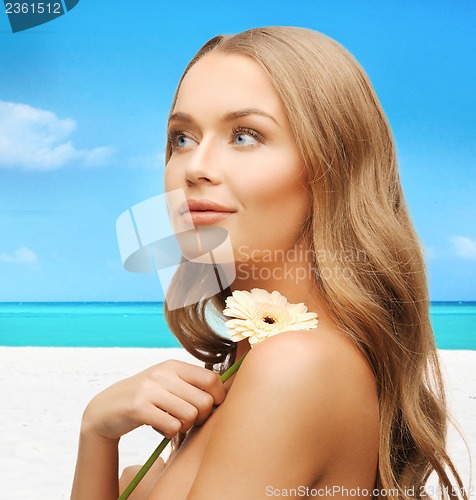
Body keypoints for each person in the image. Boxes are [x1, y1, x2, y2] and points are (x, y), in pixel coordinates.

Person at [71, 27, 468, 499]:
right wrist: (97, 434)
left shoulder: (294, 366)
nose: (195, 166)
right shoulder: (250, 368)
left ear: (332, 167)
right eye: (182, 138)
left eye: (244, 135)